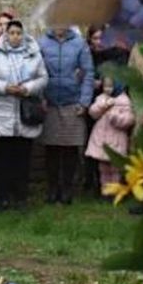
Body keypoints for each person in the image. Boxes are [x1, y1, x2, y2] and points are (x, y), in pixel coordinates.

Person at [0, 18, 46, 210]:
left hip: (25, 115)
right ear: (5, 35)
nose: (15, 36)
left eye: (18, 33)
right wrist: (4, 87)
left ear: (23, 35)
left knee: (22, 159)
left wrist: (27, 88)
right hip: (2, 114)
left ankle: (21, 197)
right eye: (11, 33)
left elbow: (43, 78)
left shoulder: (34, 55)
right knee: (2, 159)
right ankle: (2, 197)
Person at [38, 24, 94, 204]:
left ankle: (67, 189)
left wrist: (84, 102)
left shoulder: (79, 44)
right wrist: (40, 98)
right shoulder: (42, 43)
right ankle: (52, 189)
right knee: (51, 148)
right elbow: (36, 71)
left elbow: (88, 73)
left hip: (73, 103)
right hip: (50, 103)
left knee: (70, 148)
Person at [86, 81, 135, 199]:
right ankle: (105, 190)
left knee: (115, 167)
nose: (108, 89)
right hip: (102, 137)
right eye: (105, 86)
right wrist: (103, 106)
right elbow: (93, 113)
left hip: (116, 137)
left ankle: (116, 191)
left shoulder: (124, 101)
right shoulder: (101, 98)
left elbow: (129, 120)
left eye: (111, 86)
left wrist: (115, 117)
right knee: (103, 167)